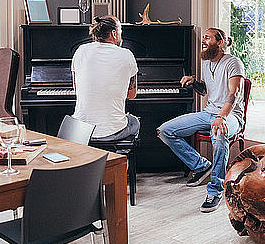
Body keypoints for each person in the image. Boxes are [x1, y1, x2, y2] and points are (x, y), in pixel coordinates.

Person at [157, 27, 245, 213]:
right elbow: (206, 90)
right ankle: (201, 165)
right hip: (208, 113)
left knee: (219, 132)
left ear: (220, 43)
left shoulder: (233, 63)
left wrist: (221, 117)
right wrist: (194, 82)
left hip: (230, 116)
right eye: (203, 38)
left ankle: (215, 190)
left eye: (207, 38)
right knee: (165, 131)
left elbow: (234, 93)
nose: (203, 41)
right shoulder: (206, 63)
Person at [70, 15, 140, 140]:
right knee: (134, 122)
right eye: (120, 31)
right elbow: (131, 95)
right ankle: (120, 156)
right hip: (112, 131)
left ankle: (92, 155)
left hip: (81, 129)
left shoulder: (80, 51)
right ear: (114, 33)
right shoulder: (127, 54)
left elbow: (76, 89)